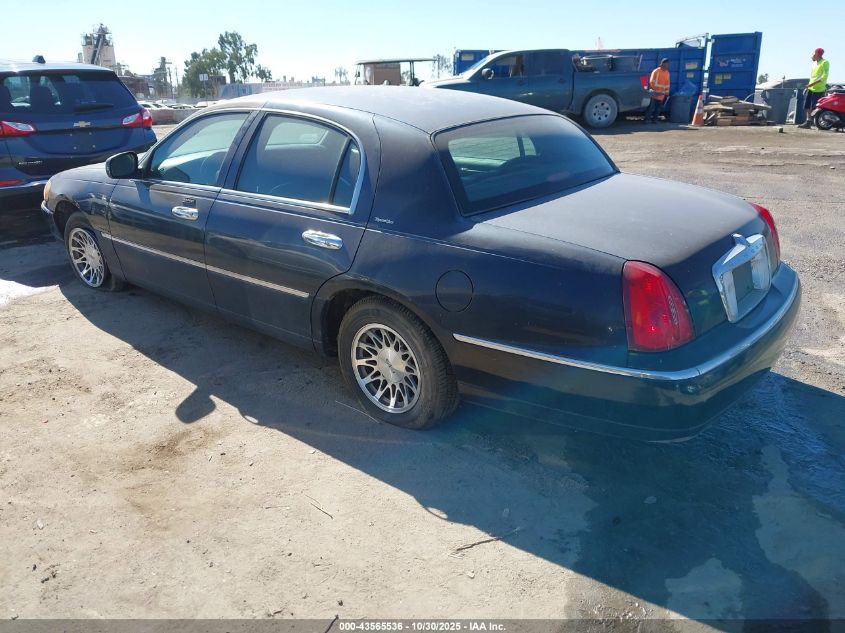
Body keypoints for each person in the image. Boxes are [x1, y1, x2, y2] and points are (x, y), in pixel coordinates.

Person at [798, 48, 830, 128]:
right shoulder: (814, 64)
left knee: (816, 107)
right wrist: (808, 86)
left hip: (819, 89)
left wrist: (811, 85)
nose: (812, 56)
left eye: (813, 54)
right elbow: (813, 77)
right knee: (807, 106)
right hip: (811, 88)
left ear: (817, 54)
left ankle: (816, 121)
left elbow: (824, 77)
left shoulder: (825, 62)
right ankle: (808, 122)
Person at [645, 58, 670, 123]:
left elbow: (667, 83)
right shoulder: (656, 71)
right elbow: (651, 81)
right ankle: (647, 119)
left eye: (667, 65)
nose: (666, 66)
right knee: (651, 107)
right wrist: (654, 90)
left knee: (658, 108)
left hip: (661, 94)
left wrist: (666, 92)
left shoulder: (667, 73)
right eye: (665, 65)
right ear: (662, 64)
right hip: (654, 93)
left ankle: (655, 119)